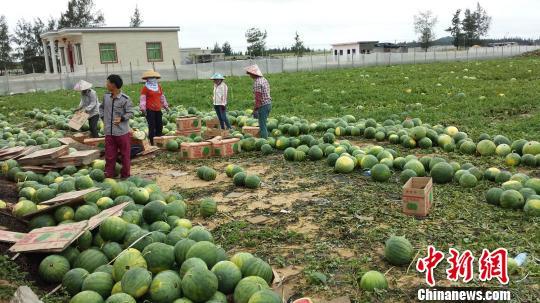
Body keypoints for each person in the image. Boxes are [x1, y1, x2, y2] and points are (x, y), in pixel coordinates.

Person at [100, 74, 134, 179]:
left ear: (113, 85)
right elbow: (101, 108)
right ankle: (109, 176)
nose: (106, 84)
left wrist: (122, 118)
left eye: (108, 82)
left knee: (125, 155)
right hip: (109, 132)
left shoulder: (125, 99)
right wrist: (103, 117)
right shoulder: (106, 97)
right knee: (109, 156)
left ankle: (125, 176)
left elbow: (131, 113)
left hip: (122, 132)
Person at [139, 70, 170, 145]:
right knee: (152, 126)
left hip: (158, 109)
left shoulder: (158, 87)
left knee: (159, 124)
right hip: (150, 109)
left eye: (154, 77)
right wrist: (143, 109)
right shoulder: (145, 88)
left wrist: (166, 106)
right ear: (147, 79)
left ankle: (159, 140)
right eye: (151, 78)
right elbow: (143, 99)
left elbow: (162, 97)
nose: (153, 79)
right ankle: (152, 142)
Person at [245, 64, 272, 138]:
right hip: (268, 104)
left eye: (250, 74)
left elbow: (258, 98)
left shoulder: (257, 82)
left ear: (254, 74)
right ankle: (265, 136)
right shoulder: (264, 79)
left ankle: (264, 140)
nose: (250, 76)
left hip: (263, 105)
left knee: (262, 125)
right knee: (264, 123)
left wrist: (255, 109)